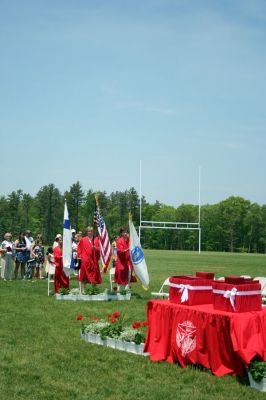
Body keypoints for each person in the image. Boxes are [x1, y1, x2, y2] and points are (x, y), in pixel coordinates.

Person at [78, 226, 101, 294]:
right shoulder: (83, 239)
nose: (89, 232)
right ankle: (83, 291)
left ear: (93, 232)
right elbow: (79, 249)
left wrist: (96, 248)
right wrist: (82, 256)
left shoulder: (96, 239)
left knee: (94, 276)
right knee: (83, 276)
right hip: (85, 261)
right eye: (88, 231)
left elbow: (100, 249)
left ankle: (94, 290)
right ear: (87, 232)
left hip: (93, 261)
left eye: (91, 231)